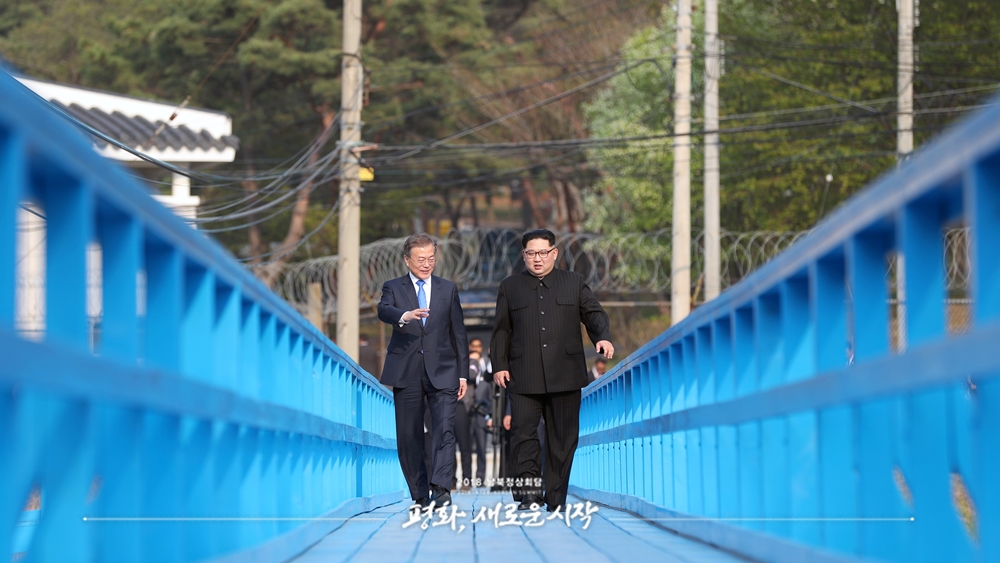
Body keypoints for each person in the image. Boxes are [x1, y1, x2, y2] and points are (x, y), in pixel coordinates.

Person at [491, 229, 614, 512]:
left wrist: (602, 337)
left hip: (566, 373)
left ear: (554, 253)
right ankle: (529, 494)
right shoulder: (510, 287)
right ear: (523, 256)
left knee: (562, 440)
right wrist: (499, 365)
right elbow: (501, 332)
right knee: (523, 435)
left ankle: (555, 497)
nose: (537, 259)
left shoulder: (573, 282)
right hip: (523, 374)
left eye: (543, 253)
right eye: (531, 253)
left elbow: (593, 313)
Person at [378, 233, 469, 509]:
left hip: (443, 371)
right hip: (406, 371)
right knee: (409, 436)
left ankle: (441, 488)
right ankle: (419, 493)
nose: (427, 264)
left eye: (431, 258)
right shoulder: (393, 287)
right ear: (407, 260)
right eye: (421, 259)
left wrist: (463, 373)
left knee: (444, 430)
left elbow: (459, 333)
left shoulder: (447, 289)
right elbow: (383, 310)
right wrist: (404, 316)